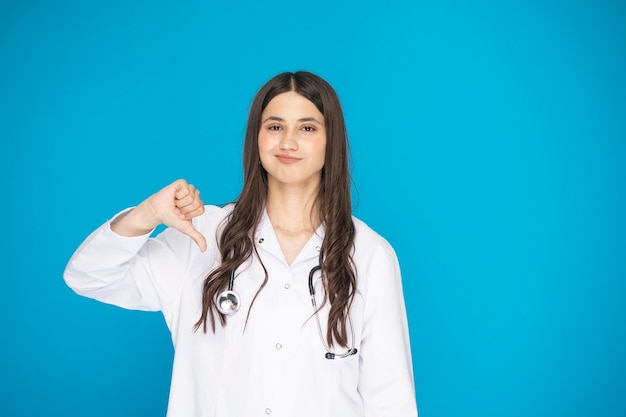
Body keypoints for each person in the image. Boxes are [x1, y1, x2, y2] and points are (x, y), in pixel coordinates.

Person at [64, 71, 418, 417]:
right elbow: (88, 276)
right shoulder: (202, 235)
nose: (288, 142)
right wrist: (147, 214)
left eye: (307, 128)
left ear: (331, 141)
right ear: (257, 138)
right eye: (275, 127)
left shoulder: (369, 254)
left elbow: (390, 398)